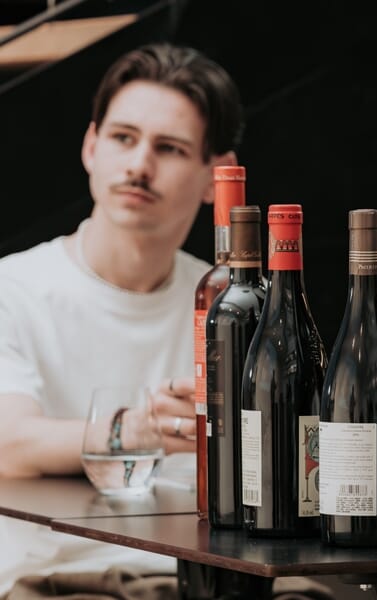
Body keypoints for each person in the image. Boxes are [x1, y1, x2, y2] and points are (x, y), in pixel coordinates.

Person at [0, 42, 241, 597]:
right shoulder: (14, 289)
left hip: (213, 578)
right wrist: (136, 429)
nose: (139, 165)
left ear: (218, 176)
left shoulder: (233, 303)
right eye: (123, 138)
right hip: (58, 578)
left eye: (170, 148)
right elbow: (10, 444)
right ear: (91, 146)